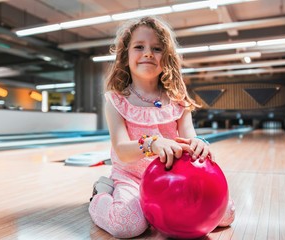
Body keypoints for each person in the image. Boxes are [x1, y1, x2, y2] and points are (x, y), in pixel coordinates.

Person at [88, 16, 235, 238]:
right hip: (131, 177)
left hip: (170, 178)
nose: (148, 53)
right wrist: (152, 144)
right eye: (139, 47)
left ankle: (152, 211)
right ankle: (101, 193)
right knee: (126, 226)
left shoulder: (178, 100)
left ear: (166, 57)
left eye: (156, 48)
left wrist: (199, 144)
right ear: (125, 56)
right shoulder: (117, 101)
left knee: (226, 215)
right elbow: (121, 150)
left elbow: (189, 138)